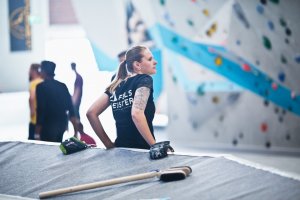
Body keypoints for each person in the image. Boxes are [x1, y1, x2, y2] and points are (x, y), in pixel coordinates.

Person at [87, 45, 157, 149]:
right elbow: (136, 114)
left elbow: (91, 113)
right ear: (137, 65)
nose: (155, 62)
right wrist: (155, 146)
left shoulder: (117, 84)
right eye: (150, 59)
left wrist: (109, 145)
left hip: (121, 149)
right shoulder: (144, 79)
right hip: (141, 152)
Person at [35, 60, 78, 142]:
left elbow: (41, 109)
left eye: (40, 70)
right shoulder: (62, 86)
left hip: (47, 125)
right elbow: (70, 108)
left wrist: (37, 132)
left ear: (44, 71)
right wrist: (76, 131)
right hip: (62, 125)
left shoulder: (40, 87)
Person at [28, 63, 43, 140]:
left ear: (33, 71)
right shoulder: (43, 81)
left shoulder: (33, 83)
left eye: (29, 70)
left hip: (35, 119)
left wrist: (32, 111)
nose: (28, 72)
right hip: (44, 117)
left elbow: (32, 98)